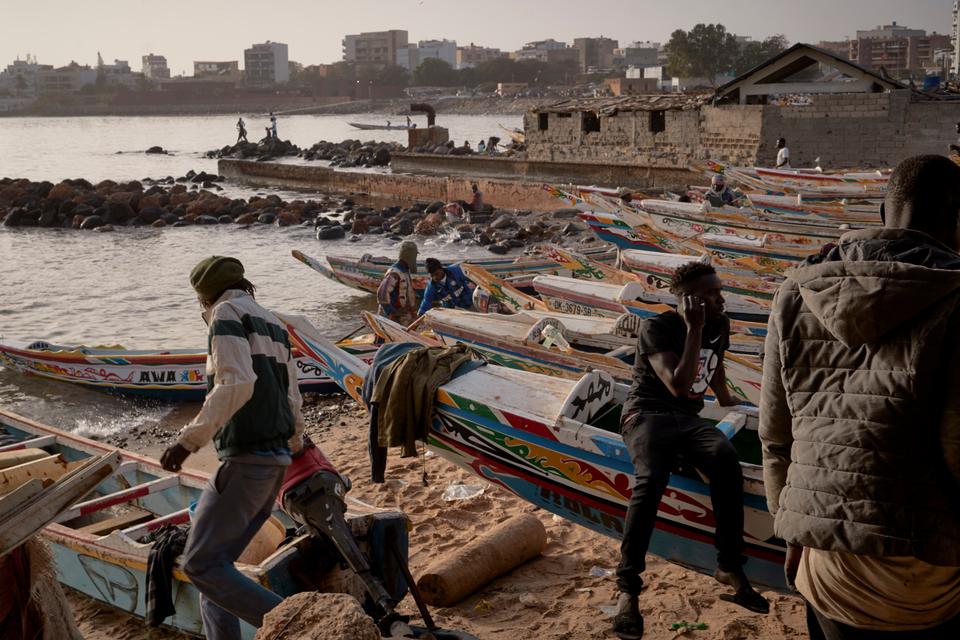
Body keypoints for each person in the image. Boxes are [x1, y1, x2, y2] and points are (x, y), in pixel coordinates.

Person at [759, 154, 960, 639]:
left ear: (881, 215)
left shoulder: (796, 290)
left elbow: (775, 434)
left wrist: (792, 529)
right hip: (926, 573)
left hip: (827, 568)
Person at [613, 262, 768, 639]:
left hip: (688, 420)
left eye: (719, 290)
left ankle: (729, 566)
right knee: (651, 481)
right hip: (646, 414)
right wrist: (694, 328)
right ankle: (627, 591)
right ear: (688, 302)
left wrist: (727, 399)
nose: (720, 298)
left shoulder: (719, 323)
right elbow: (679, 386)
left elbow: (715, 366)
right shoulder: (659, 327)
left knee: (725, 461)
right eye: (711, 294)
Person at [160, 256, 304, 640]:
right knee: (219, 571)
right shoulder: (271, 321)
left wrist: (187, 441)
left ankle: (304, 626)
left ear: (203, 297)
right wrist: (295, 443)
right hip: (274, 462)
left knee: (202, 566)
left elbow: (235, 383)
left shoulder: (224, 314)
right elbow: (292, 397)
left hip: (246, 459)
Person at [377, 240, 419, 326]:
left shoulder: (405, 271)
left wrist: (413, 313)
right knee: (386, 337)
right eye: (414, 256)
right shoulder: (394, 272)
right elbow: (382, 293)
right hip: (391, 316)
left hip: (401, 315)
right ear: (409, 256)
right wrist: (390, 313)